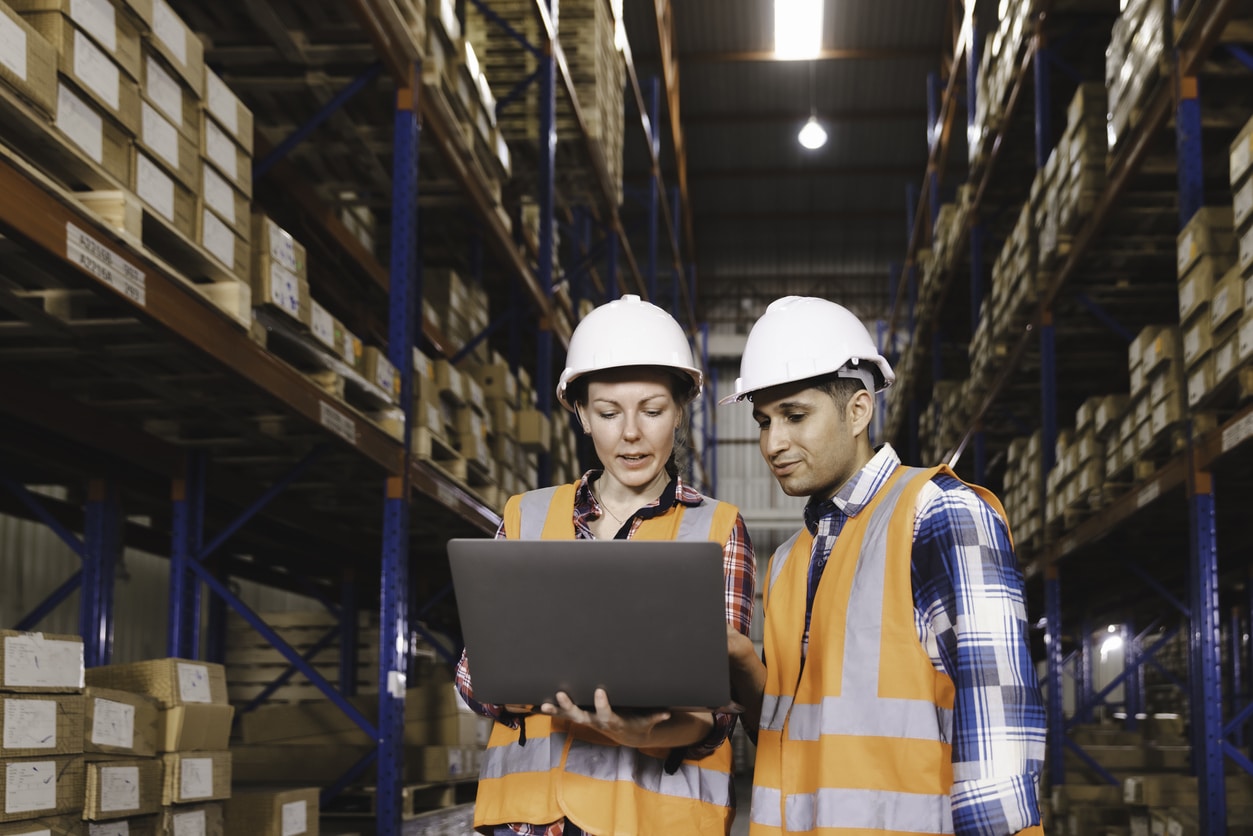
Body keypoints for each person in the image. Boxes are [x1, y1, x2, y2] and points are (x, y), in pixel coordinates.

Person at [720, 296, 1045, 835]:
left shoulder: (936, 515)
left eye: (795, 416)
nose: (773, 443)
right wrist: (741, 667)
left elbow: (998, 742)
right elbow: (797, 739)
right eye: (763, 422)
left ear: (858, 410)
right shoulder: (785, 564)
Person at [455, 294, 756, 835]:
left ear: (681, 409)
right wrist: (527, 689)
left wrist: (640, 731)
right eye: (609, 413)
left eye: (653, 410)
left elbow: (719, 712)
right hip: (531, 822)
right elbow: (473, 676)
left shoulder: (717, 528)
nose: (631, 433)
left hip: (653, 824)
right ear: (581, 414)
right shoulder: (527, 515)